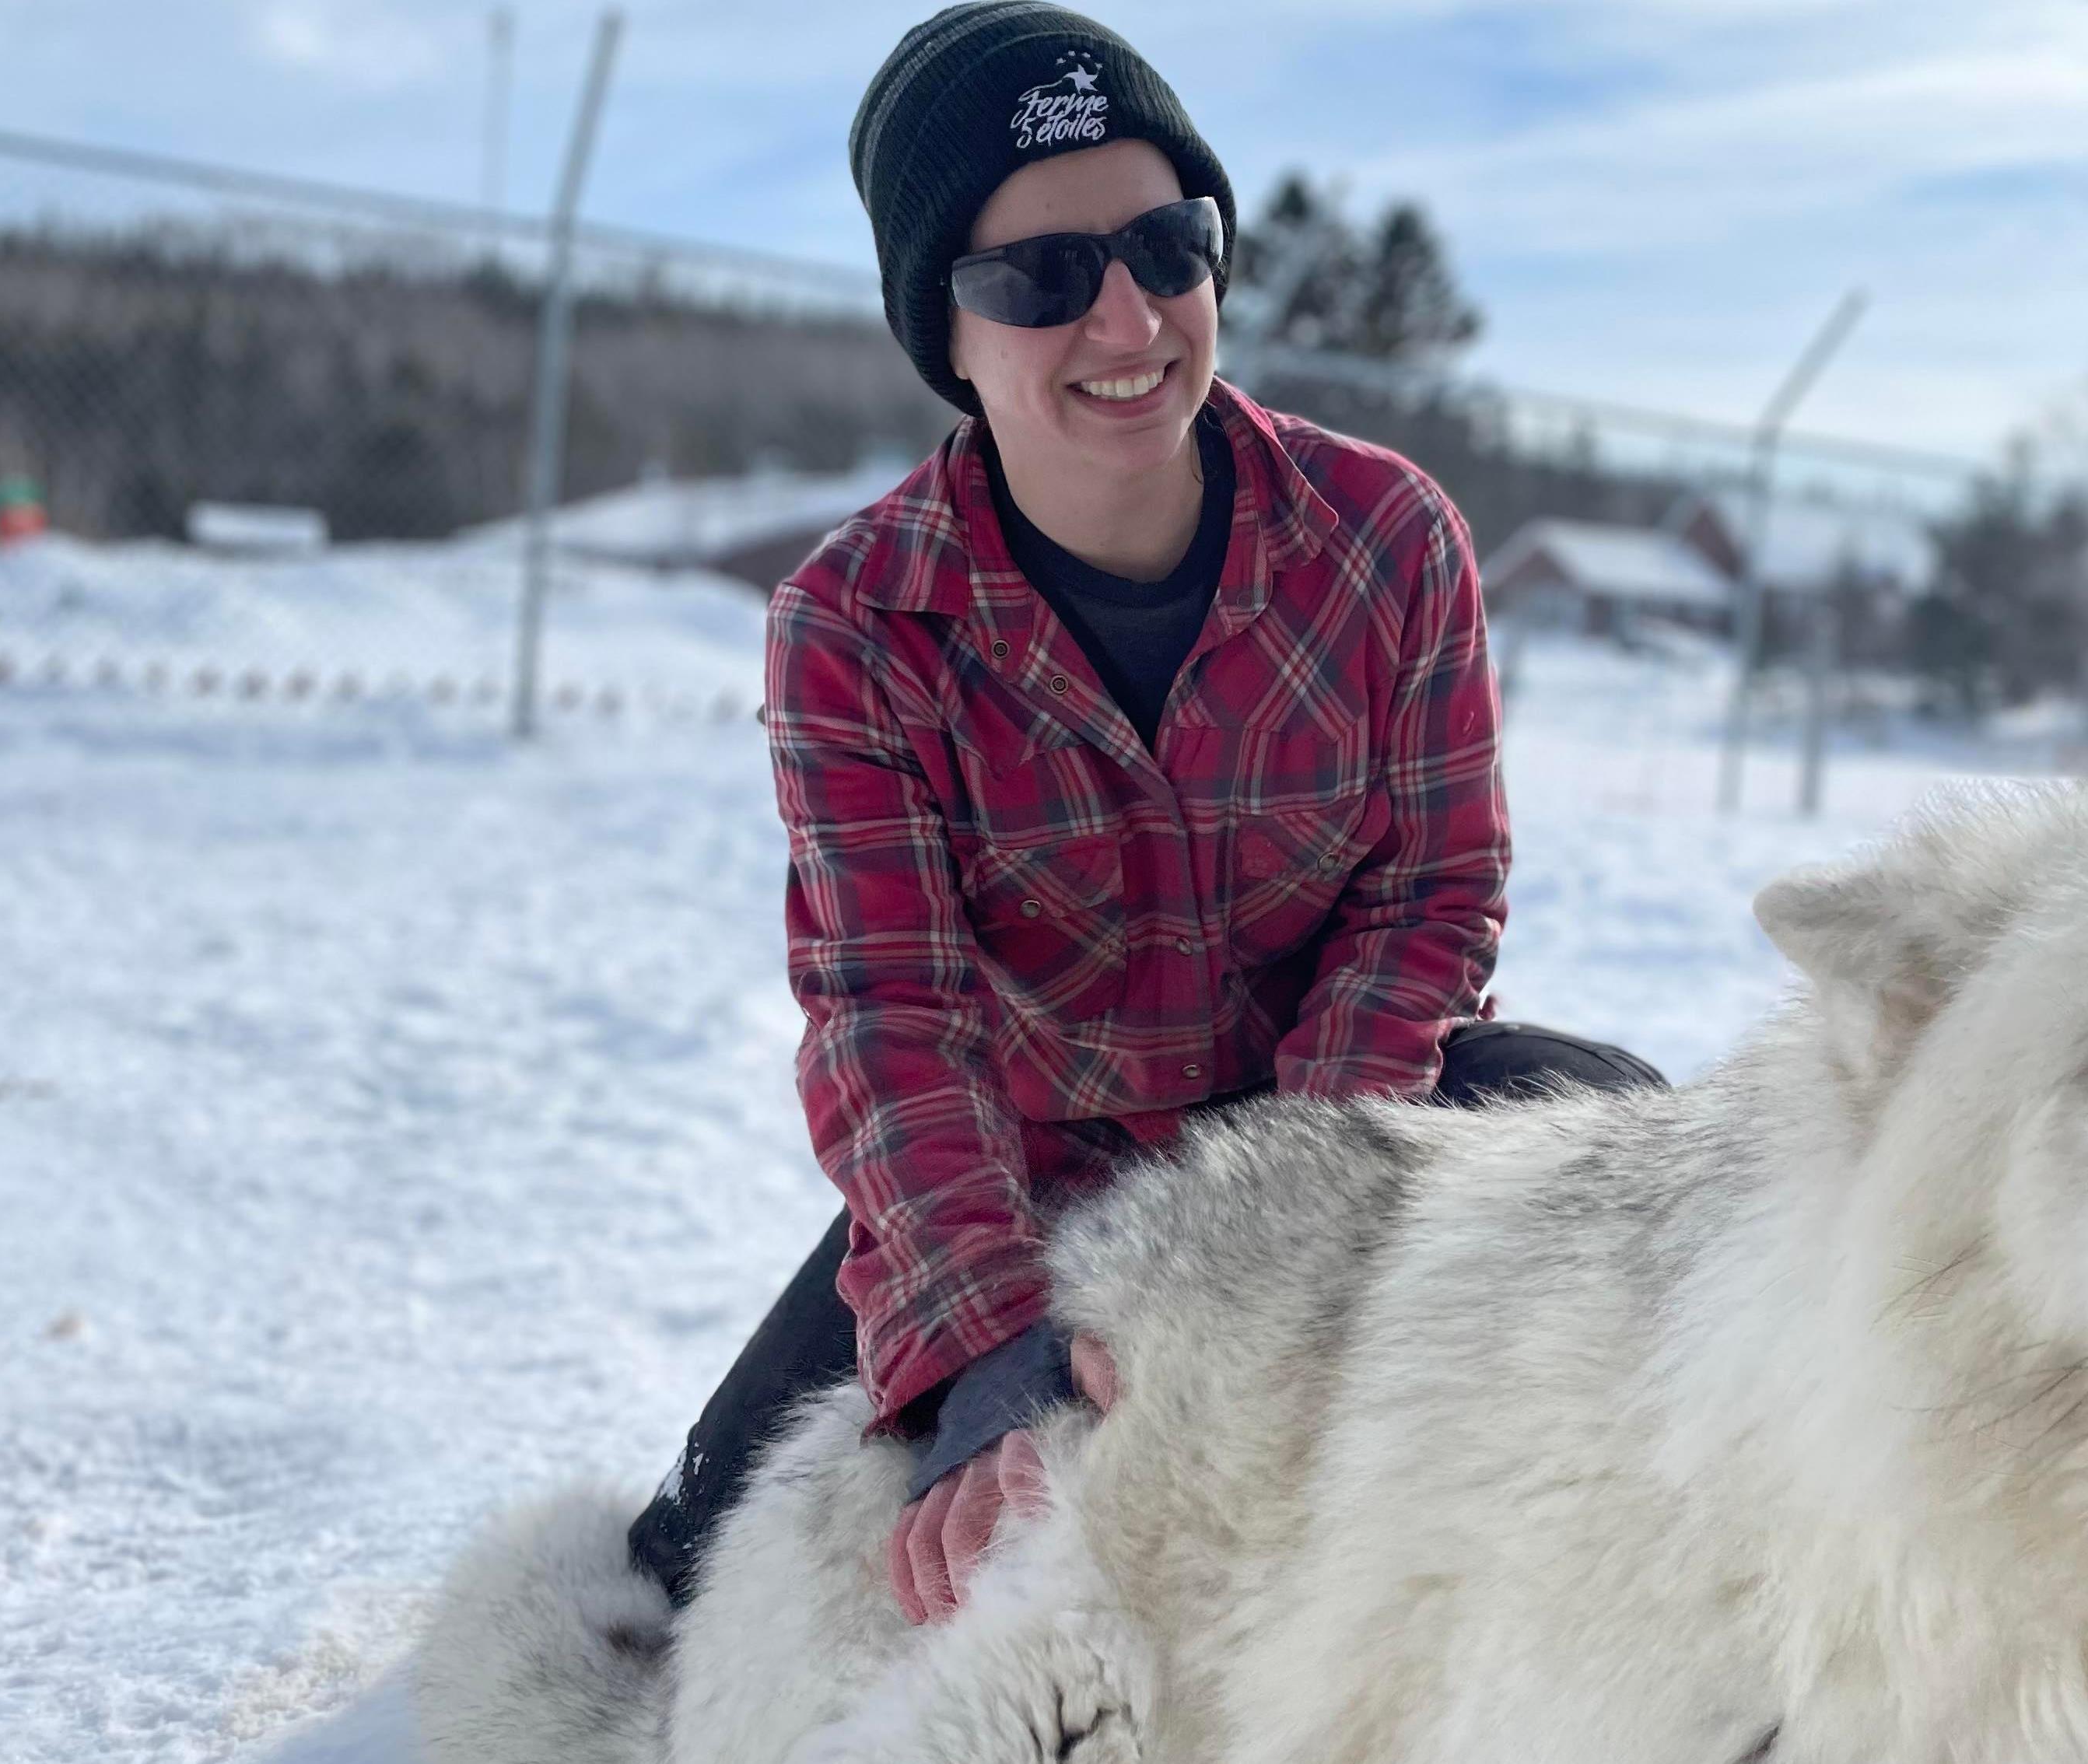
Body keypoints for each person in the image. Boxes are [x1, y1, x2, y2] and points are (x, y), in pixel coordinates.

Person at [624, 0, 1662, 1624]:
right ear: (946, 334)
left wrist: (1294, 1201)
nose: (1127, 317)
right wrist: (980, 1356)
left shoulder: (1389, 536)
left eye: (1167, 246)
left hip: (1357, 1104)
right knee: (689, 1580)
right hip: (1042, 1169)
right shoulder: (854, 623)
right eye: (1039, 278)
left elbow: (1432, 896)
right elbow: (894, 1012)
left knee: (1627, 1149)